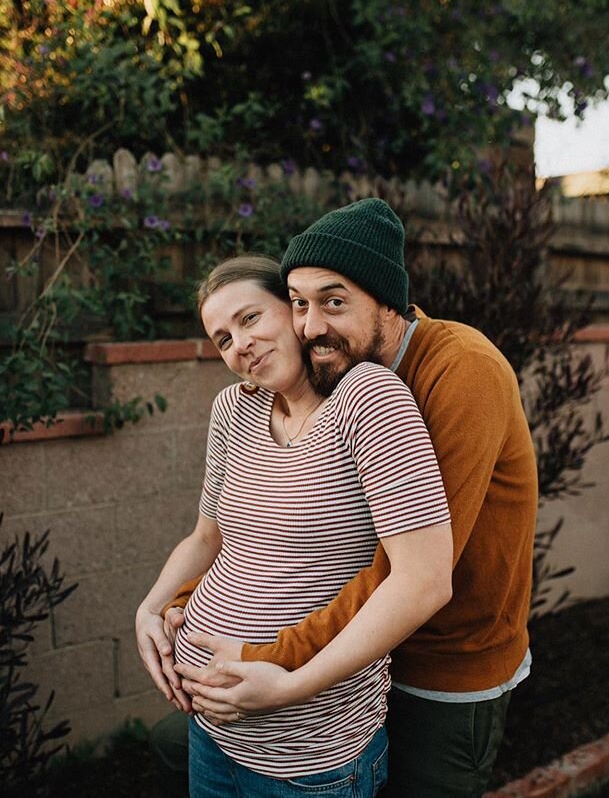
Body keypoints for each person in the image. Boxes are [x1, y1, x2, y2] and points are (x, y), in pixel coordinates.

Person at [143, 198, 538, 797]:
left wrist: (278, 662)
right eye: (300, 304)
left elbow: (403, 571)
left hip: (447, 662)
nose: (311, 326)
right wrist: (176, 603)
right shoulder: (310, 383)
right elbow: (249, 536)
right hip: (363, 662)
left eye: (334, 302)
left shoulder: (456, 374)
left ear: (386, 299)